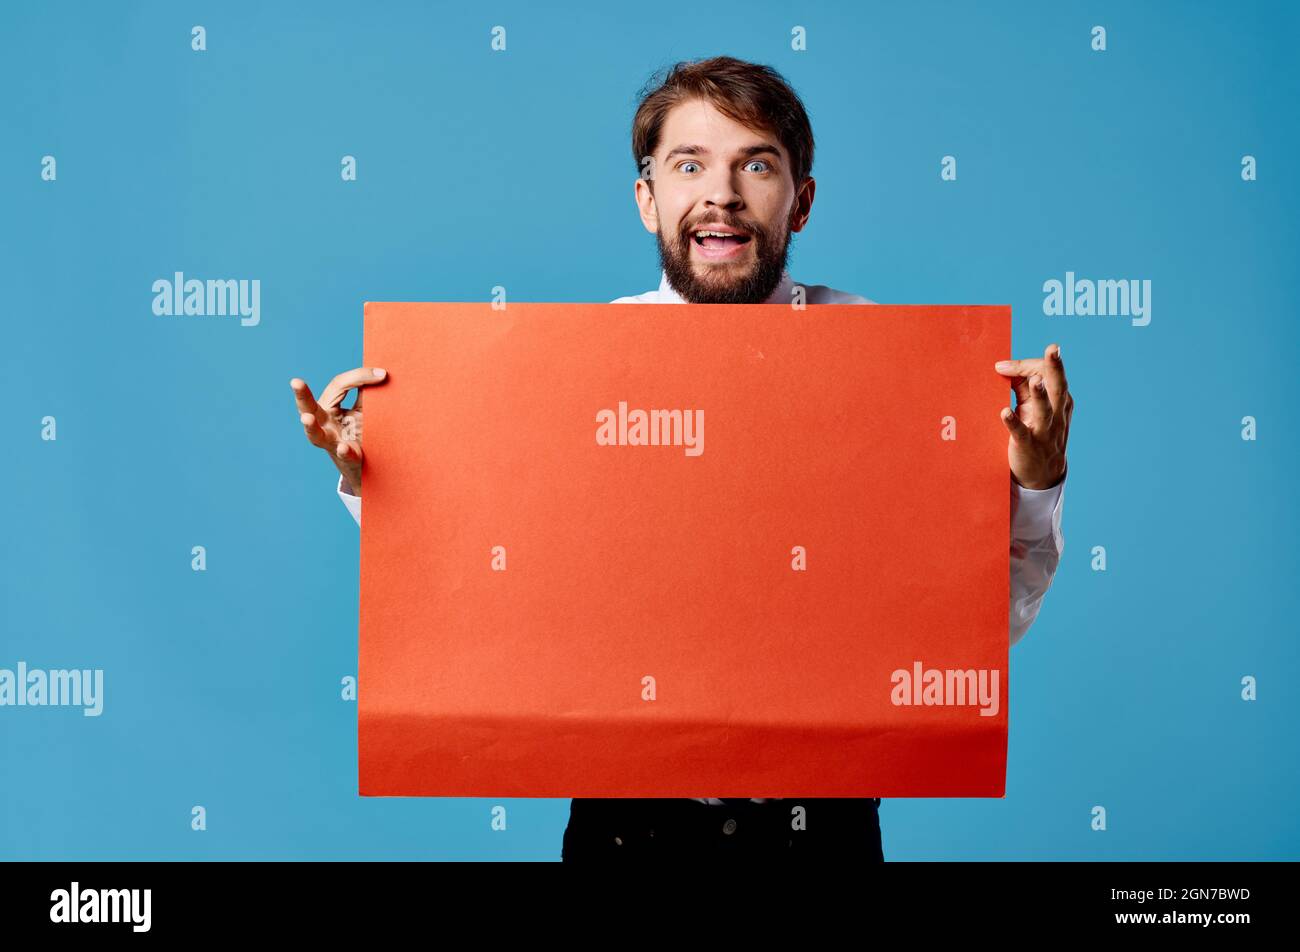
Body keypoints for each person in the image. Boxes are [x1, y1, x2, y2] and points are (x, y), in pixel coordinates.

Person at [289, 56, 1072, 862]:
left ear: (799, 203)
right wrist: (375, 473)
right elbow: (487, 584)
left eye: (755, 164)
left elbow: (975, 629)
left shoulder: (888, 362)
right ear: (647, 198)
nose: (721, 192)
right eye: (689, 164)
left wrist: (1034, 482)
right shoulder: (568, 372)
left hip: (819, 834)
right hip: (627, 833)